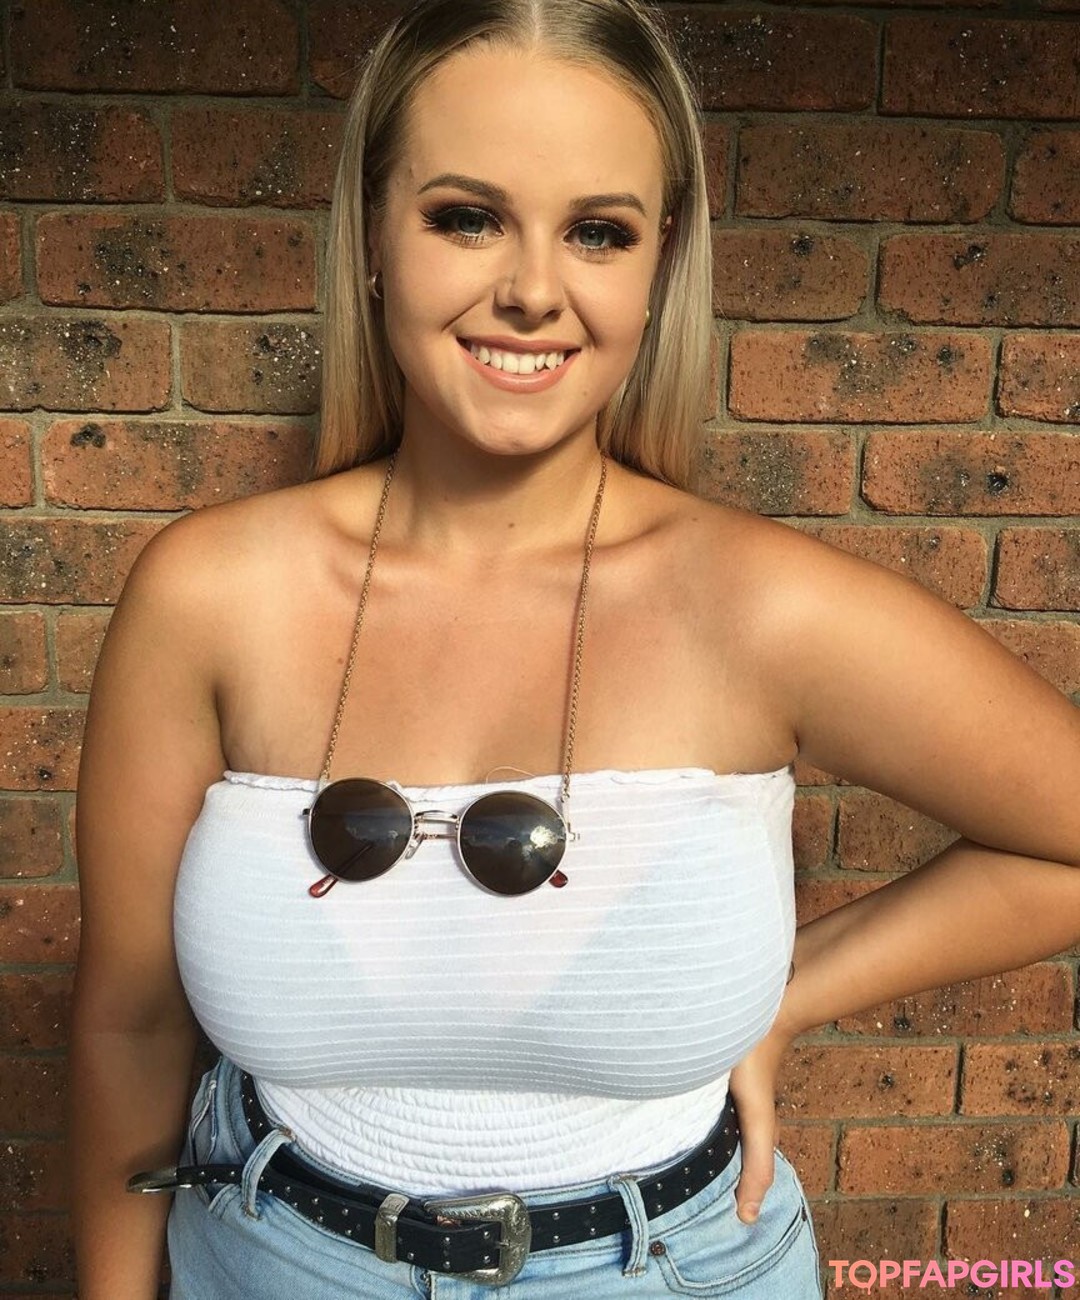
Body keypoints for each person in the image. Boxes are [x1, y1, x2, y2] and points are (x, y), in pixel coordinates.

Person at [68, 0, 1080, 1296]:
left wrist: (789, 994)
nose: (534, 289)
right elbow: (130, 1023)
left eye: (598, 231)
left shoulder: (762, 608)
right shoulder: (211, 596)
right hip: (270, 1258)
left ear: (660, 268)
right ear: (372, 235)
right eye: (466, 217)